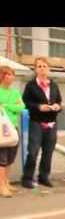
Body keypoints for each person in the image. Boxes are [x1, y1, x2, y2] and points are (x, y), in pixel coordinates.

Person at [21, 57, 62, 189]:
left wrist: (57, 106)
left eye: (44, 66)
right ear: (35, 69)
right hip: (36, 122)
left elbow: (59, 102)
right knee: (33, 151)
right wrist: (39, 107)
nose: (42, 68)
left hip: (51, 123)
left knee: (48, 152)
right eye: (39, 66)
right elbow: (25, 103)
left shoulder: (54, 85)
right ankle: (27, 178)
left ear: (48, 69)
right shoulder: (31, 86)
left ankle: (43, 177)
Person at [0, 66, 25, 197]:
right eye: (9, 74)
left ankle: (6, 182)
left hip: (13, 127)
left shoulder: (15, 92)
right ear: (2, 76)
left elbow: (21, 107)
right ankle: (2, 186)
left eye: (12, 74)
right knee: (2, 158)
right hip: (1, 129)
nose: (12, 77)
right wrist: (12, 108)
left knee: (10, 157)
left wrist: (6, 106)